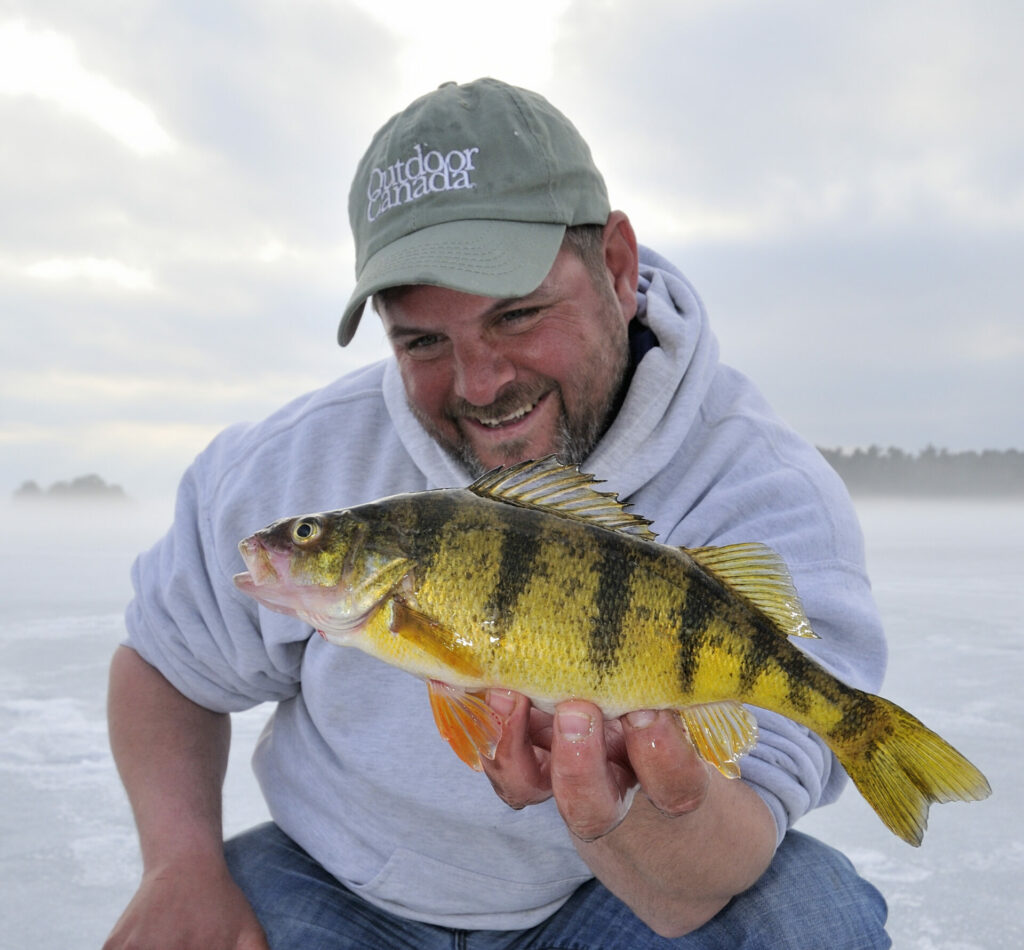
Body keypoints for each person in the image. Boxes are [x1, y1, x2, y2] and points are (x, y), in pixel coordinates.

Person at [104, 78, 891, 949]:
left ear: (619, 269)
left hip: (614, 910)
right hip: (333, 883)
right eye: (422, 340)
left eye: (517, 315)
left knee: (812, 917)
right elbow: (165, 664)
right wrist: (179, 865)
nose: (480, 385)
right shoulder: (292, 463)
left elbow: (694, 893)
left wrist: (614, 804)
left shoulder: (765, 492)